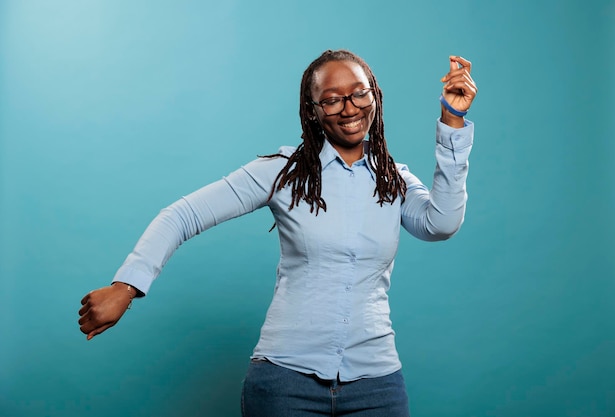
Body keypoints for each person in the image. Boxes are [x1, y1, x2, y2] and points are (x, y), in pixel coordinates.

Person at [78, 49, 477, 417]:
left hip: (376, 385)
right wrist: (126, 286)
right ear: (313, 108)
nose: (349, 108)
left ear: (375, 96)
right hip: (285, 385)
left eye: (359, 94)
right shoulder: (284, 172)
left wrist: (452, 122)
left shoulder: (394, 179)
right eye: (332, 99)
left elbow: (440, 224)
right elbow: (183, 214)